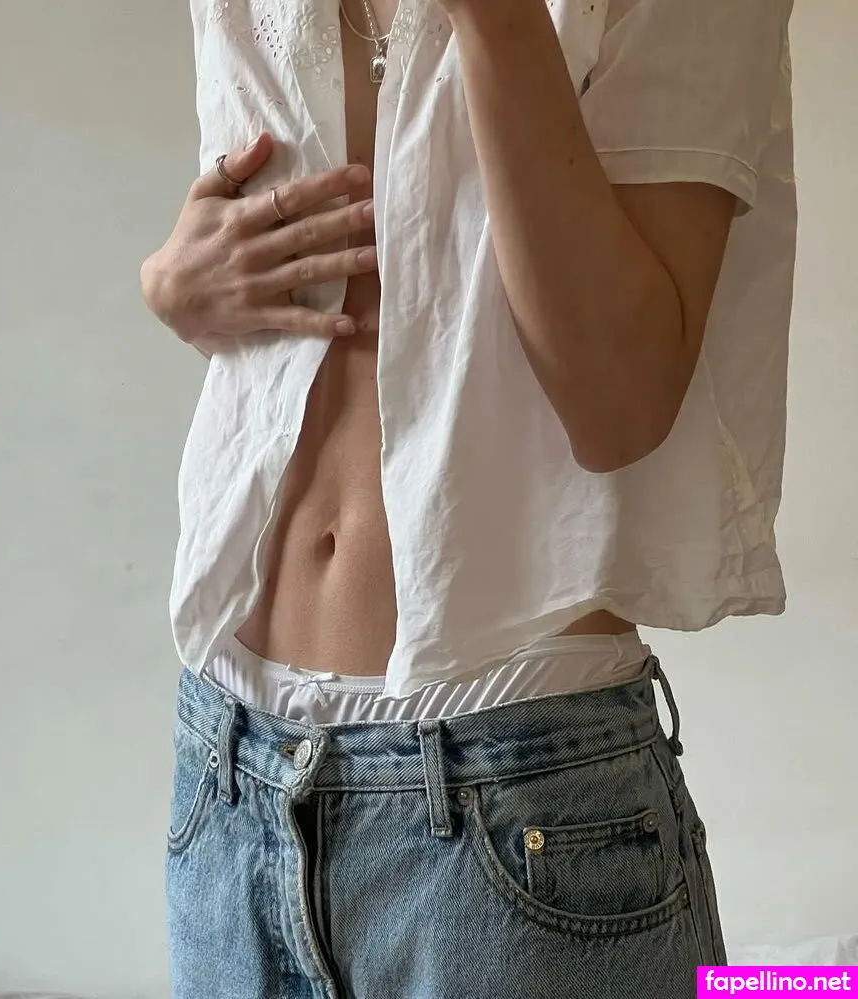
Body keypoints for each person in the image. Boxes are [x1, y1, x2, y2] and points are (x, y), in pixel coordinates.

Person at [140, 0, 796, 994]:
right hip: (230, 765)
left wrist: (494, 20)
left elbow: (619, 403)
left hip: (518, 801)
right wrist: (172, 288)